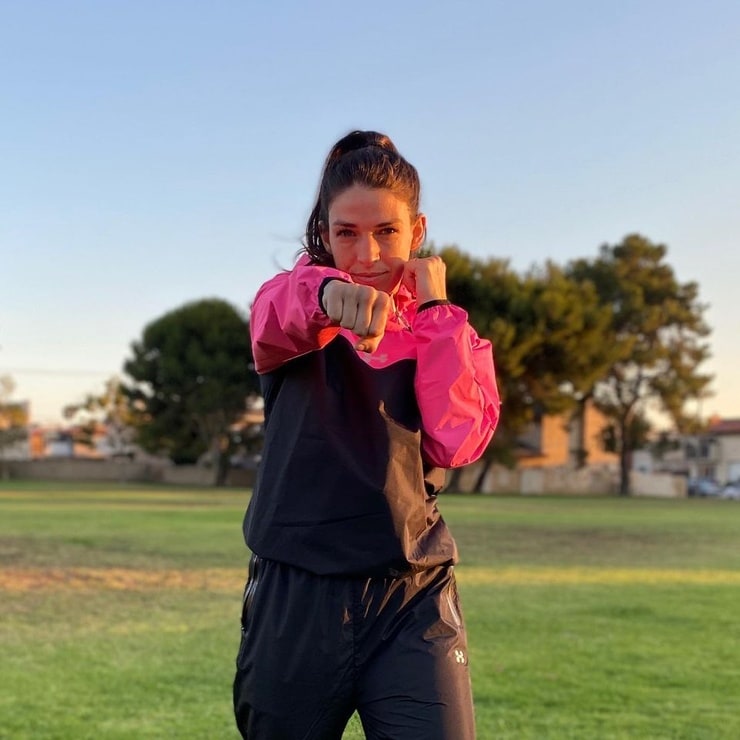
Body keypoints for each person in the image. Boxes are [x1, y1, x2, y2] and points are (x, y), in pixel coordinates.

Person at [233, 130, 501, 739]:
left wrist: (435, 315)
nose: (367, 253)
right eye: (346, 233)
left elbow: (456, 441)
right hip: (296, 593)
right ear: (324, 234)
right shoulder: (292, 303)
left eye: (386, 231)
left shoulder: (446, 331)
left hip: (413, 595)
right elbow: (279, 314)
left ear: (418, 231)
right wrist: (329, 297)